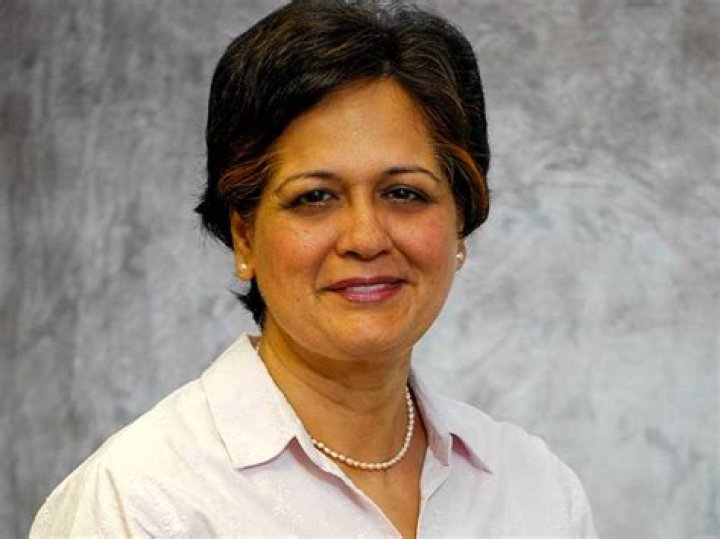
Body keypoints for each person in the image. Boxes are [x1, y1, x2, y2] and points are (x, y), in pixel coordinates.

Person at [31, 1, 597, 537]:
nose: (366, 238)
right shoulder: (141, 500)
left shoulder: (537, 491)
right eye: (315, 198)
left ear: (459, 224)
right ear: (244, 235)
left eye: (404, 192)